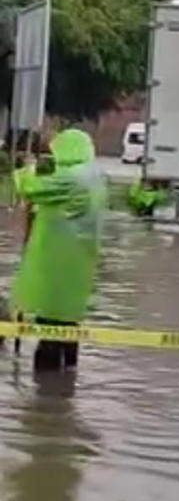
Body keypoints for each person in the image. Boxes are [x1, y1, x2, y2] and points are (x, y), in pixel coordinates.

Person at [12, 129, 106, 371]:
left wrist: (26, 168)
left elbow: (30, 188)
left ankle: (46, 387)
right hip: (81, 258)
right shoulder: (94, 175)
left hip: (58, 258)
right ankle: (65, 385)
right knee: (69, 318)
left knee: (50, 320)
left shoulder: (72, 178)